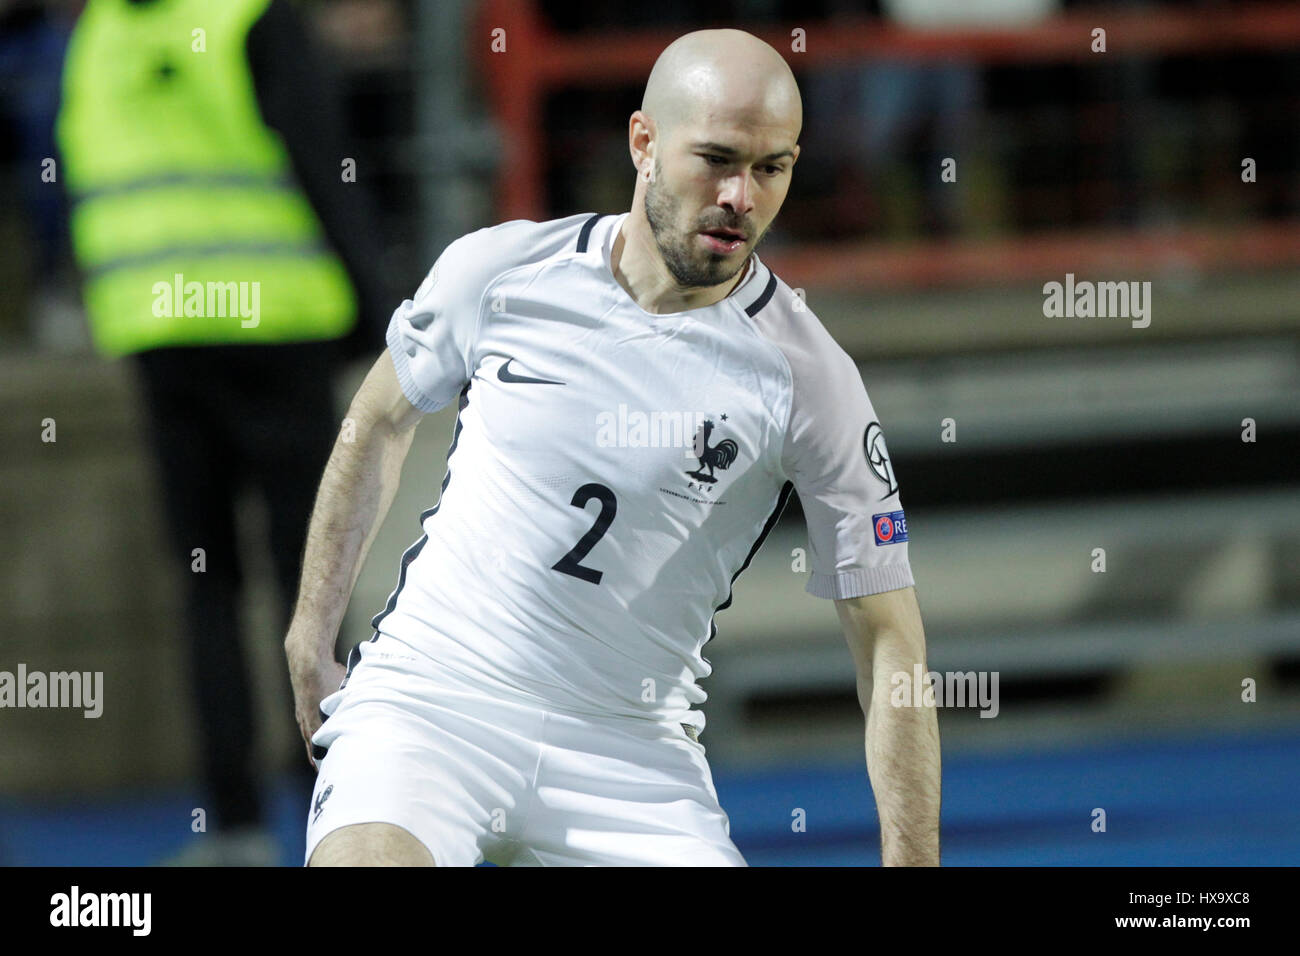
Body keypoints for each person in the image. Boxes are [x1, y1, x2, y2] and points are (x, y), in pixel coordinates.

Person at [287, 28, 940, 867]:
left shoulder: (810, 380)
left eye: (772, 167)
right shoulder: (500, 271)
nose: (741, 195)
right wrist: (311, 629)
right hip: (434, 702)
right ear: (643, 141)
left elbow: (890, 636)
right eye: (716, 158)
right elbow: (376, 419)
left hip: (629, 753)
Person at [56, 0, 391, 865]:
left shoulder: (100, 34)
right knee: (312, 584)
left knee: (205, 584)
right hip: (277, 329)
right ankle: (340, 819)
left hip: (162, 336)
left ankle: (234, 827)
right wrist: (374, 311)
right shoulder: (255, 17)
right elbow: (324, 162)